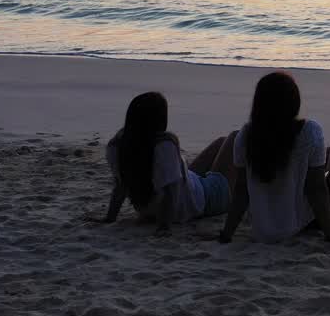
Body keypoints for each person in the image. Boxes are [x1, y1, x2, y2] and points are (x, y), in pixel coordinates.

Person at [218, 71, 330, 244]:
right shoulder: (309, 131)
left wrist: (226, 234)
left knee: (326, 154)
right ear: (294, 102)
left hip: (268, 226)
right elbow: (316, 189)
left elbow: (241, 191)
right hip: (312, 220)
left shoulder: (245, 136)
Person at [90, 92, 235, 235]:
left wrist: (110, 218)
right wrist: (165, 226)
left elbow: (120, 186)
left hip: (186, 190)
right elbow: (171, 191)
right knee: (233, 138)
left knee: (220, 142)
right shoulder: (163, 146)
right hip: (203, 201)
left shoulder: (116, 147)